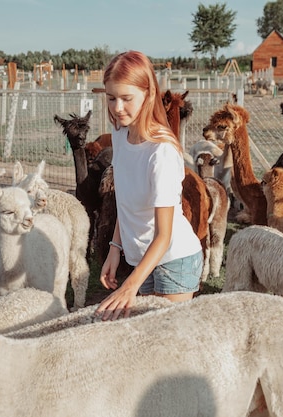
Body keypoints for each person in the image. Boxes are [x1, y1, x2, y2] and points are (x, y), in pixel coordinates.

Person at [95, 50, 203, 321]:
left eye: (126, 98)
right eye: (111, 98)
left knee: (167, 345)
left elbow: (164, 235)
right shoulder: (120, 135)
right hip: (141, 261)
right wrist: (115, 249)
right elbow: (126, 202)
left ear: (148, 94)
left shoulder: (161, 152)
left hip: (173, 260)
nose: (117, 108)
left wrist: (131, 284)